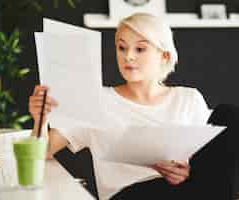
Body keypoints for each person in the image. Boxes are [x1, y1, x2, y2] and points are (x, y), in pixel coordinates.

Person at [29, 13, 238, 200]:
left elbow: (214, 168)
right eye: (121, 47)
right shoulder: (96, 99)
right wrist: (41, 120)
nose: (128, 56)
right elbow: (41, 153)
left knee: (228, 115)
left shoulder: (188, 98)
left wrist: (187, 172)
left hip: (186, 192)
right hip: (128, 195)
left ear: (164, 56)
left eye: (140, 49)